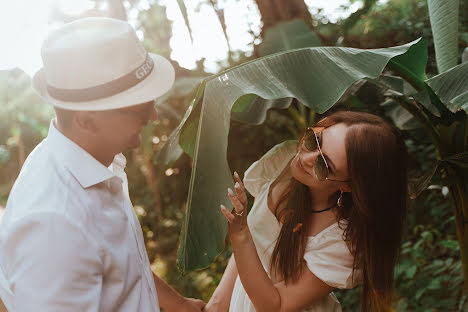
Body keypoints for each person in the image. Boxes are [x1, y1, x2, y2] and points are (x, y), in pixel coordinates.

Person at [0, 17, 205, 312]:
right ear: (86, 120)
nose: (154, 116)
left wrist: (179, 304)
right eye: (140, 108)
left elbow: (122, 267)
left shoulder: (93, 163)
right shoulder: (56, 227)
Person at [205, 111, 408, 312]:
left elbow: (275, 305)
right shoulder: (283, 161)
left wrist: (241, 236)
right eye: (314, 140)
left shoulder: (342, 241)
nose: (307, 157)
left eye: (324, 165)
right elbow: (255, 245)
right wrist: (217, 303)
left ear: (347, 186)